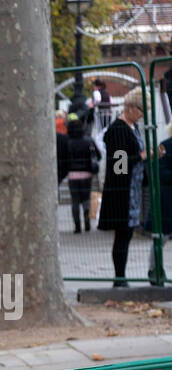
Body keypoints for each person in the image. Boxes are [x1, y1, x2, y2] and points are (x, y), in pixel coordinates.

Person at [98, 89, 146, 286]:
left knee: (126, 235)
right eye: (141, 110)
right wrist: (142, 156)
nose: (143, 115)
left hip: (132, 190)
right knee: (122, 235)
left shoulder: (134, 127)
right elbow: (119, 166)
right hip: (122, 193)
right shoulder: (118, 129)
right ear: (131, 108)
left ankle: (121, 276)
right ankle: (120, 277)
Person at [64, 113, 100, 233]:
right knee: (86, 199)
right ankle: (87, 220)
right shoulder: (88, 141)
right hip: (86, 173)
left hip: (72, 174)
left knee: (75, 200)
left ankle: (77, 226)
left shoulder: (67, 141)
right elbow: (98, 155)